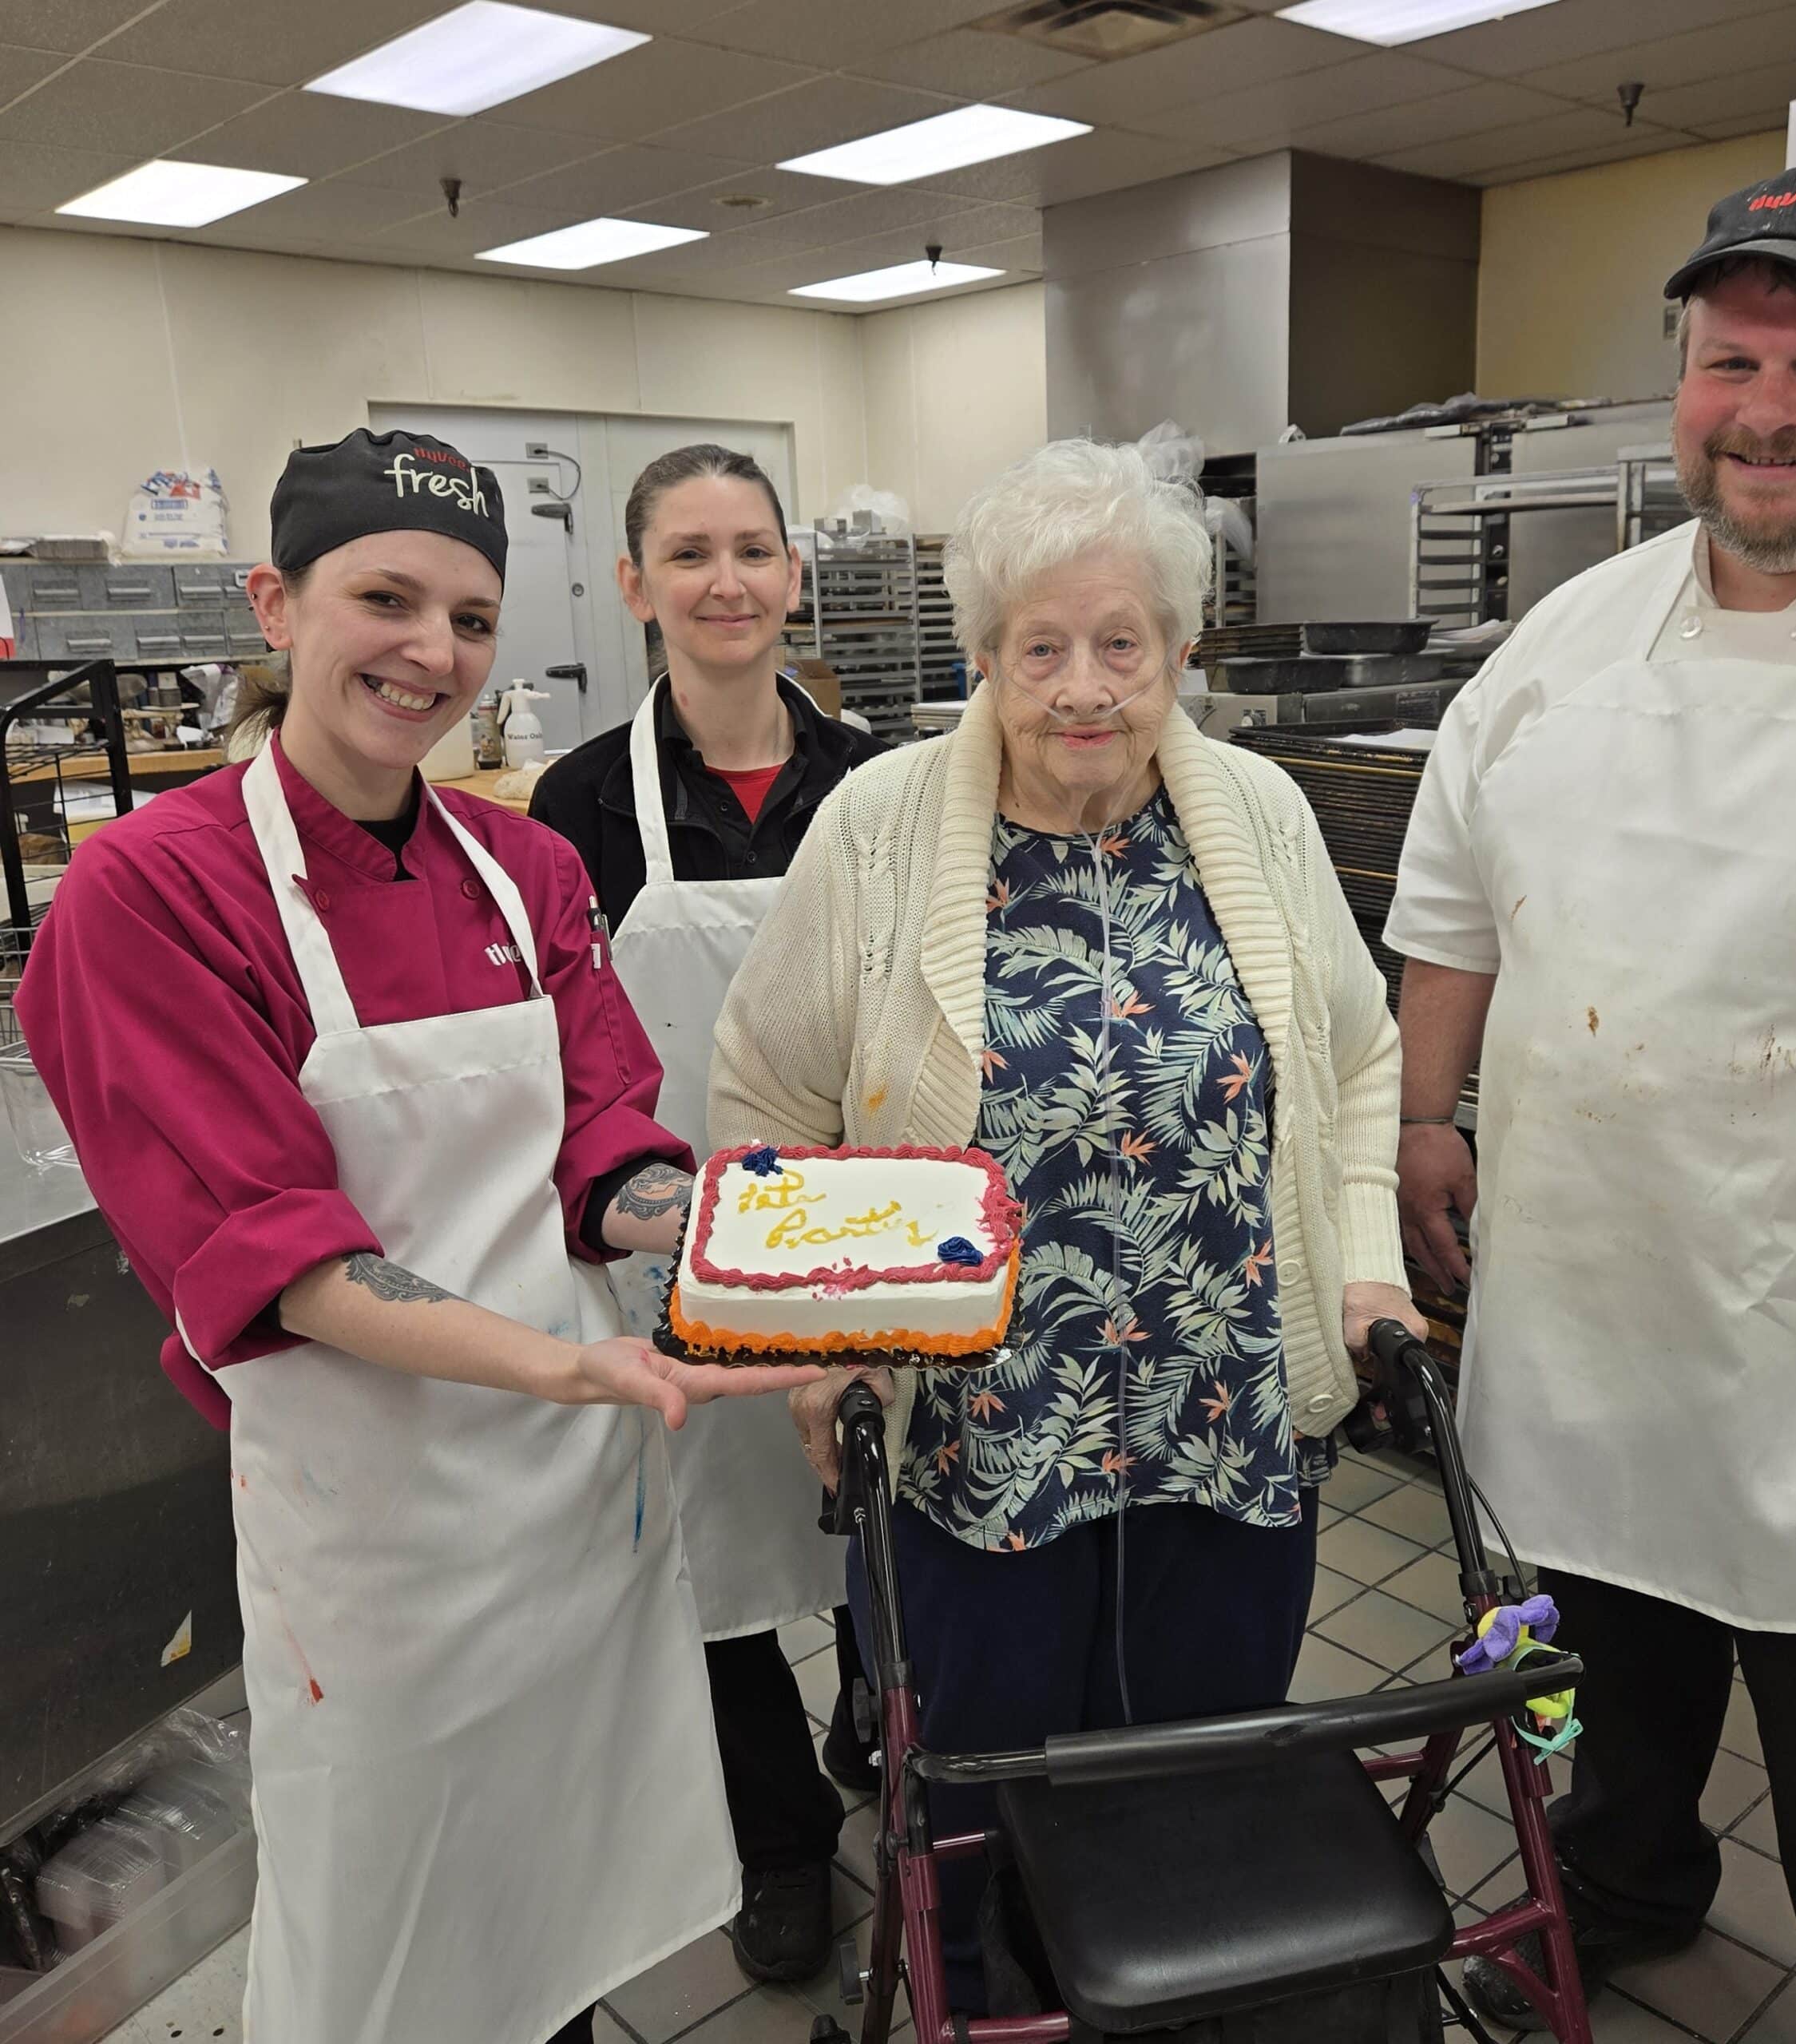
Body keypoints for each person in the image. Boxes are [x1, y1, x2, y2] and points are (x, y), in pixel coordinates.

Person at [16, 427, 820, 2044]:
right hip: (378, 1521)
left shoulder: (525, 868)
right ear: (275, 602)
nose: (430, 652)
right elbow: (276, 1249)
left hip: (583, 1493)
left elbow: (606, 1132)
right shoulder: (151, 893)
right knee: (401, 1927)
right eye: (385, 597)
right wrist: (570, 1363)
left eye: (468, 617)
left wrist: (773, 1251)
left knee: (567, 1893)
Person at [1386, 169, 1796, 2044]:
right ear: (1676, 376)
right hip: (1599, 1289)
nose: (1766, 403)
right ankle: (1617, 1887)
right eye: (1728, 358)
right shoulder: (1568, 635)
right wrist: (1428, 1122)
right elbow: (1450, 901)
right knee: (1604, 1673)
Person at [706, 437, 1429, 2011]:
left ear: (1179, 648)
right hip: (979, 1432)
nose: (1085, 685)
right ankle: (968, 1992)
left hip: (1228, 1417)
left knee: (1193, 1778)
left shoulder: (1260, 811)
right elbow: (767, 1100)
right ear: (984, 654)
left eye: (1125, 643)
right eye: (1043, 646)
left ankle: (1156, 2005)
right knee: (971, 1782)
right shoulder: (880, 830)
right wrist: (813, 1358)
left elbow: (1359, 1053)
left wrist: (1364, 1258)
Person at [532, 443, 889, 1981]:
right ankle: (782, 1846)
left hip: (877, 1226)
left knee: (888, 1517)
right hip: (674, 1228)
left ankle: (889, 1737)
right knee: (717, 1564)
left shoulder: (884, 777)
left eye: (753, 549)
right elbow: (563, 1044)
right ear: (634, 587)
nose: (726, 582)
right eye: (689, 555)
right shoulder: (574, 801)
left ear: (793, 573)